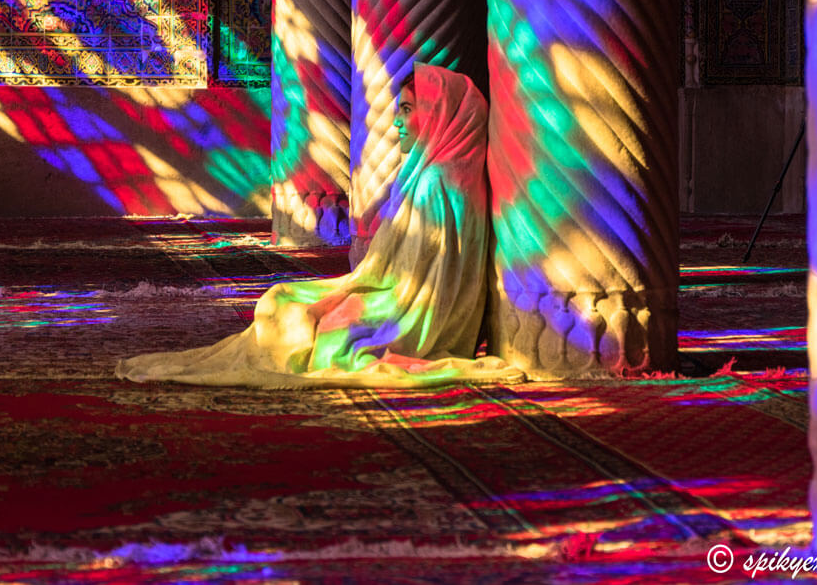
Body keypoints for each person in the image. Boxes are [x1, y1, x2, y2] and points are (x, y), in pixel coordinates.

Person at [116, 62, 523, 388]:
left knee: (292, 310)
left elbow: (412, 288)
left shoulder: (438, 185)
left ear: (437, 115)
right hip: (402, 301)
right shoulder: (439, 175)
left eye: (408, 109)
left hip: (407, 318)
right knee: (286, 302)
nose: (397, 122)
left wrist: (352, 296)